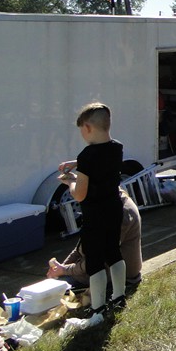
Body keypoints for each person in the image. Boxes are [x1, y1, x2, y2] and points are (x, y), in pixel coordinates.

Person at [57, 102, 126, 317]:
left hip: (94, 214)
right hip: (114, 208)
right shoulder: (117, 147)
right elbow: (99, 157)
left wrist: (69, 182)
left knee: (95, 260)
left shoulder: (87, 155)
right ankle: (119, 297)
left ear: (87, 127)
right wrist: (76, 163)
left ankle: (97, 309)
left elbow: (80, 194)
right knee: (113, 251)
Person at [48, 189, 142, 289]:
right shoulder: (103, 206)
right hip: (98, 268)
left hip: (120, 276)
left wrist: (65, 270)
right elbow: (82, 246)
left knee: (54, 291)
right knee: (53, 284)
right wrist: (61, 267)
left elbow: (98, 258)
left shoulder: (122, 213)